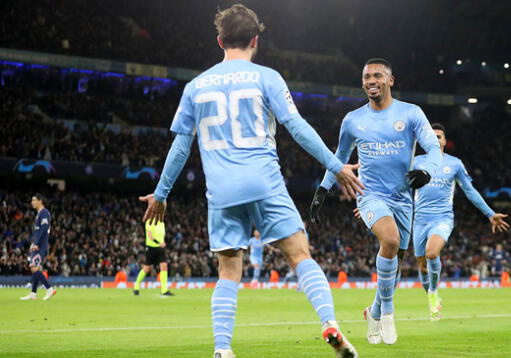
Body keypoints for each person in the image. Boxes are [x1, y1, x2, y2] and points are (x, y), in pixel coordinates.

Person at [138, 5, 361, 358]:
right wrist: (336, 167)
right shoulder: (266, 77)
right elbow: (297, 128)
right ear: (255, 40)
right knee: (300, 255)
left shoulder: (196, 87)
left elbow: (181, 147)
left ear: (219, 41)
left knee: (228, 271)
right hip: (264, 182)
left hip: (222, 191)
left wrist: (161, 195)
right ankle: (329, 323)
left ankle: (223, 349)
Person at [310, 58, 443, 345]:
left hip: (404, 199)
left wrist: (427, 171)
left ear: (390, 80)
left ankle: (374, 311)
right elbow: (340, 156)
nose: (371, 80)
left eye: (378, 75)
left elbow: (432, 146)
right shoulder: (353, 119)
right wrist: (323, 189)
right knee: (390, 242)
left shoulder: (410, 113)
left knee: (396, 264)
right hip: (370, 195)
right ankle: (388, 315)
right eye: (367, 76)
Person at [410, 123, 509, 320]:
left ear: (445, 141)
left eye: (439, 136)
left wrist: (489, 213)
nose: (436, 139)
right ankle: (432, 295)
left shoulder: (454, 164)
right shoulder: (415, 162)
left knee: (432, 253)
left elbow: (470, 191)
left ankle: (432, 293)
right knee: (421, 266)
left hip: (442, 218)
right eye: (432, 136)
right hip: (419, 220)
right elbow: (398, 186)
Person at [20, 194, 56, 301]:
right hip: (38, 245)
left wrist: (36, 243)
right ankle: (33, 293)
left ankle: (49, 288)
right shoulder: (39, 214)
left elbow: (44, 229)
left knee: (34, 268)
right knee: (35, 268)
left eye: (34, 200)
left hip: (40, 246)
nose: (32, 202)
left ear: (40, 201)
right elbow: (38, 230)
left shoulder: (44, 213)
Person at [133, 220, 173, 296]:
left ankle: (164, 290)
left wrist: (163, 244)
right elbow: (150, 236)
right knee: (146, 269)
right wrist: (159, 243)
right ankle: (136, 286)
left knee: (164, 267)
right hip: (151, 248)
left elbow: (162, 236)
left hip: (160, 248)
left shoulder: (162, 223)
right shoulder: (149, 222)